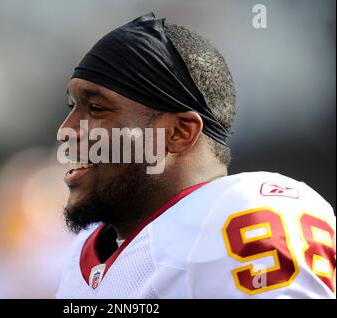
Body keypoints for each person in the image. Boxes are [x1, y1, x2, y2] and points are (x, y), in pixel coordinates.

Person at [55, 13, 335, 298]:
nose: (66, 130)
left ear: (178, 132)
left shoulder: (237, 215)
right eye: (72, 106)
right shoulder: (87, 250)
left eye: (96, 109)